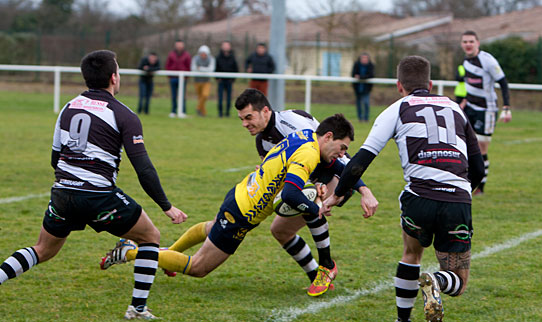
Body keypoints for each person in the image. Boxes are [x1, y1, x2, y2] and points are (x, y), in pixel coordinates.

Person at [0, 50, 188, 320]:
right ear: (114, 77)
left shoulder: (68, 107)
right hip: (98, 196)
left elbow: (56, 158)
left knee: (42, 250)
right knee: (150, 237)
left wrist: (72, 185)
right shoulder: (123, 114)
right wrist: (166, 206)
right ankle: (137, 308)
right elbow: (143, 168)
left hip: (63, 193)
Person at [321, 56, 484, 322]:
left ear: (399, 86)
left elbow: (360, 159)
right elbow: (478, 166)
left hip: (418, 197)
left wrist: (338, 195)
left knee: (411, 254)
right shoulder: (455, 108)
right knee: (458, 280)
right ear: (431, 84)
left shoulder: (395, 109)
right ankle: (437, 280)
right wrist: (463, 192)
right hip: (457, 199)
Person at [101, 115, 354, 293]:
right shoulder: (309, 153)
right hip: (242, 214)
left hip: (240, 194)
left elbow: (328, 166)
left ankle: (167, 254)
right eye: (342, 147)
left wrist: (343, 187)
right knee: (198, 267)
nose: (342, 153)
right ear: (329, 136)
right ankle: (130, 252)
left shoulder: (306, 135)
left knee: (212, 229)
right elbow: (289, 195)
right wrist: (316, 208)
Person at [234, 88, 378, 296]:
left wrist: (362, 189)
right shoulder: (263, 142)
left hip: (338, 177)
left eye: (249, 117)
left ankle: (327, 265)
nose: (245, 124)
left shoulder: (292, 121)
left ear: (265, 111)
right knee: (280, 231)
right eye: (242, 119)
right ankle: (317, 277)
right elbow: (290, 175)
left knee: (308, 201)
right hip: (313, 179)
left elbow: (331, 153)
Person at [459, 30, 512, 195]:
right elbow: (469, 86)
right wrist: (463, 102)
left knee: (481, 148)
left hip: (486, 110)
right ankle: (466, 182)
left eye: (471, 41)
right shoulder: (466, 63)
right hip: (470, 109)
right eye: (465, 42)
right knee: (465, 145)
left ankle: (480, 187)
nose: (468, 44)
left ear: (477, 43)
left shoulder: (487, 60)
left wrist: (507, 107)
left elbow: (503, 83)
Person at [165, 39, 191, 118]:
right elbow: (168, 65)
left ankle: (183, 111)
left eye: (180, 45)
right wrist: (170, 75)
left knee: (182, 96)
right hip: (173, 78)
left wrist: (186, 76)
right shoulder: (171, 54)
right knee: (173, 95)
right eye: (178, 45)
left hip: (183, 78)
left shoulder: (187, 55)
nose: (179, 47)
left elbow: (188, 66)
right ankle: (173, 111)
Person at [215, 40, 239, 118]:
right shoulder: (218, 57)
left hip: (229, 81)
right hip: (221, 81)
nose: (226, 47)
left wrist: (232, 79)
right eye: (224, 45)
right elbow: (216, 68)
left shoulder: (232, 57)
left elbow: (236, 69)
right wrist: (217, 78)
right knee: (220, 97)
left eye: (227, 45)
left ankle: (227, 113)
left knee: (229, 98)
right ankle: (220, 113)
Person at [191, 45, 215, 117]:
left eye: (205, 54)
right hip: (197, 81)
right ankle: (203, 113)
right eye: (202, 53)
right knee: (200, 97)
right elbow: (193, 68)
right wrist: (204, 69)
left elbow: (211, 69)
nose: (203, 55)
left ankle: (198, 108)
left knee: (205, 95)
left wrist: (200, 68)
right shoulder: (195, 58)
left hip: (206, 81)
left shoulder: (211, 59)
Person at [351, 53, 375, 122]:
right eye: (363, 58)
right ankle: (360, 119)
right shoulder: (357, 65)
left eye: (365, 58)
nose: (364, 60)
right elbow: (353, 74)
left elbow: (371, 75)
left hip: (366, 88)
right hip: (358, 88)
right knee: (358, 104)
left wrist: (360, 77)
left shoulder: (371, 66)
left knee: (366, 103)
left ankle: (366, 118)